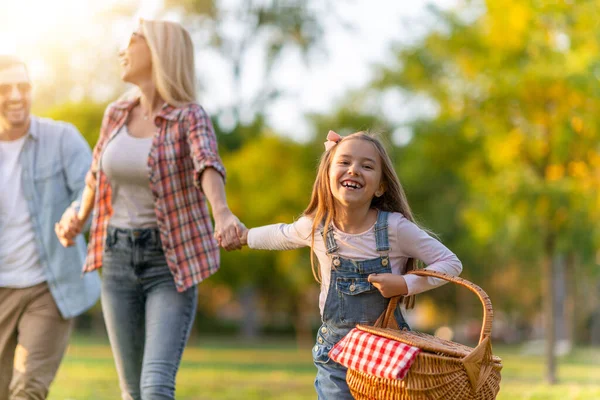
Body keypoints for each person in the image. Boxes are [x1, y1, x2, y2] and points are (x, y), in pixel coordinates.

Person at [54, 19, 243, 400]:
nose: (122, 51)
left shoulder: (190, 116)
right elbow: (96, 173)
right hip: (117, 257)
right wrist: (78, 215)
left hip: (170, 263)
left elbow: (206, 162)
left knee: (155, 387)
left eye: (132, 42)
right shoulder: (116, 113)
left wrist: (221, 213)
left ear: (158, 50)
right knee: (131, 392)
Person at [229, 130, 463, 399]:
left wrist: (404, 284)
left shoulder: (395, 228)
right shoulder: (317, 226)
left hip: (387, 355)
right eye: (344, 162)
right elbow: (281, 234)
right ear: (328, 174)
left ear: (380, 186)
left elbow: (450, 263)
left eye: (366, 166)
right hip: (336, 355)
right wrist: (244, 236)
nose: (354, 170)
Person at [0, 55, 101, 399]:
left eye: (23, 87)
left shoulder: (61, 138)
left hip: (49, 284)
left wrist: (75, 215)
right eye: (5, 88)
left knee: (28, 388)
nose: (16, 96)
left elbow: (92, 188)